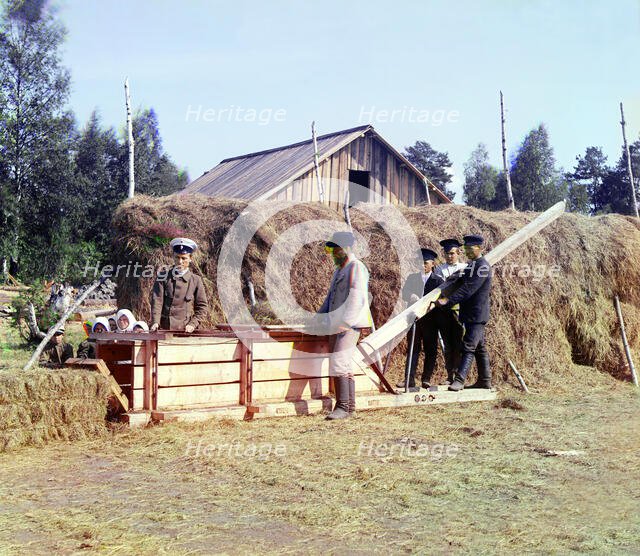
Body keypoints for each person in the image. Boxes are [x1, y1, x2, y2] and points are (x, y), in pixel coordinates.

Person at [317, 231, 372, 420]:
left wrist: (346, 322)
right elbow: (331, 296)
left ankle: (342, 407)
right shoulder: (340, 269)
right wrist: (319, 316)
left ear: (347, 248)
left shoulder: (356, 267)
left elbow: (357, 297)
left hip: (349, 324)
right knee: (344, 364)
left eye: (336, 249)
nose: (333, 253)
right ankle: (350, 408)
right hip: (337, 323)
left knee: (339, 362)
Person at [436, 234, 492, 391]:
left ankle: (459, 380)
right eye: (465, 249)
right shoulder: (473, 265)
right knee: (480, 347)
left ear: (479, 248)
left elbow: (468, 289)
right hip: (471, 314)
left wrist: (448, 301)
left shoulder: (482, 266)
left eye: (469, 249)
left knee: (468, 346)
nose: (466, 252)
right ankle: (485, 380)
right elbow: (462, 280)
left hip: (477, 314)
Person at [398, 248, 444, 390]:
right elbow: (404, 293)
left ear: (432, 264)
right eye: (420, 263)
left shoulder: (438, 280)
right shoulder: (412, 278)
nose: (422, 266)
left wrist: (433, 306)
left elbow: (442, 299)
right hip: (414, 320)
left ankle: (426, 379)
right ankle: (409, 379)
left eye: (425, 263)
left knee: (430, 349)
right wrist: (411, 295)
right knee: (413, 348)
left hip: (431, 320)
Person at [150, 237, 208, 333]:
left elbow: (202, 308)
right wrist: (155, 322)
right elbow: (157, 301)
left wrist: (192, 324)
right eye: (177, 257)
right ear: (173, 256)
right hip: (164, 329)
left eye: (184, 258)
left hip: (185, 330)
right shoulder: (163, 277)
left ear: (190, 259)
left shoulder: (196, 280)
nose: (180, 262)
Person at [435, 238, 467, 383]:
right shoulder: (439, 269)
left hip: (459, 311)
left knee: (459, 343)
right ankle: (450, 375)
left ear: (458, 253)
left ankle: (459, 376)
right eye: (447, 254)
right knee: (448, 344)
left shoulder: (465, 268)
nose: (450, 256)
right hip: (443, 312)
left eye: (452, 253)